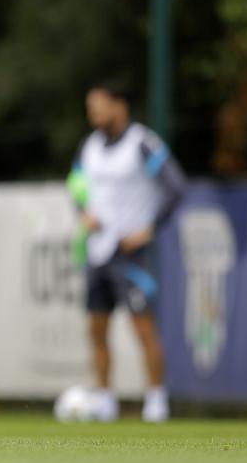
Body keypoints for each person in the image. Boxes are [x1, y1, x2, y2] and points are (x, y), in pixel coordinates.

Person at [69, 82, 185, 422]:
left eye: (99, 105)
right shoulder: (88, 147)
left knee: (143, 327)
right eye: (90, 107)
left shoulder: (142, 143)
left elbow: (175, 187)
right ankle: (105, 400)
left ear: (119, 106)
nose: (93, 113)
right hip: (97, 252)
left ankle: (156, 401)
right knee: (97, 328)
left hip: (130, 253)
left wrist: (148, 229)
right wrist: (83, 213)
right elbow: (76, 187)